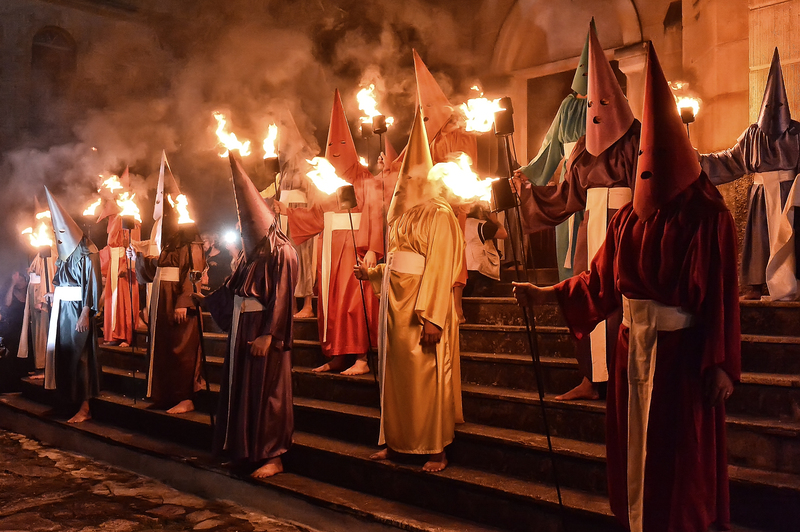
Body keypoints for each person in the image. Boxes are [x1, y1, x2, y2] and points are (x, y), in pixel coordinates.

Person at [513, 43, 740, 532]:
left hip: (680, 356)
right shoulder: (626, 221)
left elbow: (722, 297)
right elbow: (598, 281)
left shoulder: (707, 217)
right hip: (629, 347)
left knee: (678, 456)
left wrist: (722, 363)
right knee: (633, 449)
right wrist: (545, 295)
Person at [515, 22, 639, 401]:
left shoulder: (636, 139)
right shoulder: (584, 148)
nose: (595, 111)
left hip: (627, 228)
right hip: (590, 229)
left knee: (623, 299)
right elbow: (565, 196)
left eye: (602, 103)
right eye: (590, 106)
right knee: (587, 294)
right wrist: (526, 193)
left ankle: (624, 377)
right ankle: (590, 377)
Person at [355, 108, 464, 472]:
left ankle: (435, 448)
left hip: (421, 308)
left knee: (427, 376)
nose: (403, 182)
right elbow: (399, 261)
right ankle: (396, 439)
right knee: (397, 379)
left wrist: (433, 317)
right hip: (395, 308)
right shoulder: (401, 217)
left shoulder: (439, 213)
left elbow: (439, 267)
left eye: (410, 176)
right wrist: (373, 274)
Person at [201, 154, 297, 479]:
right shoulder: (249, 253)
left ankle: (273, 456)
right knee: (242, 390)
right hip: (242, 327)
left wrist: (269, 334)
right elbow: (233, 288)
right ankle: (243, 451)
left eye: (246, 224)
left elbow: (282, 296)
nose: (241, 229)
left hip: (262, 329)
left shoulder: (282, 252)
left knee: (267, 392)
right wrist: (207, 299)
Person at [277, 89, 380, 376]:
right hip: (329, 247)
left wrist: (373, 248)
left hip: (354, 245)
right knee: (331, 302)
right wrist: (287, 212)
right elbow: (317, 214)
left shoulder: (364, 177)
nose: (336, 149)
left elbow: (374, 212)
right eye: (332, 144)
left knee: (354, 301)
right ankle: (337, 354)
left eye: (342, 143)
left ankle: (361, 357)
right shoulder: (328, 180)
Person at [700, 47, 800, 301]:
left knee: (792, 238)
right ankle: (755, 285)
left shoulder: (797, 133)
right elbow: (729, 161)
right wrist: (696, 161)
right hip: (761, 195)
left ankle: (793, 282)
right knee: (759, 238)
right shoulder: (752, 135)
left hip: (790, 194)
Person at [129, 157, 205, 414]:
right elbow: (156, 269)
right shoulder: (170, 242)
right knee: (162, 347)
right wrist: (139, 257)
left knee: (181, 347)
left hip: (177, 299)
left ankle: (185, 397)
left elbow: (194, 271)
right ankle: (165, 394)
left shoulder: (191, 239)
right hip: (161, 299)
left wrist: (184, 301)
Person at [515, 23, 591, 281]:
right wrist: (529, 173)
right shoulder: (568, 106)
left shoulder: (611, 102)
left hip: (599, 183)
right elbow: (552, 144)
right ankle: (570, 289)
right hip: (570, 181)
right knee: (569, 241)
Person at [43, 187, 102, 424]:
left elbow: (93, 284)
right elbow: (62, 279)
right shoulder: (64, 253)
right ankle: (66, 402)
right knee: (64, 355)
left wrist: (86, 312)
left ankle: (85, 407)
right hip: (62, 310)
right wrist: (53, 293)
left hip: (78, 310)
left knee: (81, 356)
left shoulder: (89, 251)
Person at [98, 177, 141, 347]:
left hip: (124, 263)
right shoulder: (114, 218)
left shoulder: (131, 218)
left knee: (125, 299)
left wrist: (125, 265)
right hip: (114, 262)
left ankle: (126, 336)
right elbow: (110, 246)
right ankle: (113, 334)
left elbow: (132, 243)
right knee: (112, 299)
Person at [463, 206, 507, 297]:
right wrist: (496, 221)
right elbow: (503, 234)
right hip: (480, 268)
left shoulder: (459, 224)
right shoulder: (482, 225)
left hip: (465, 265)